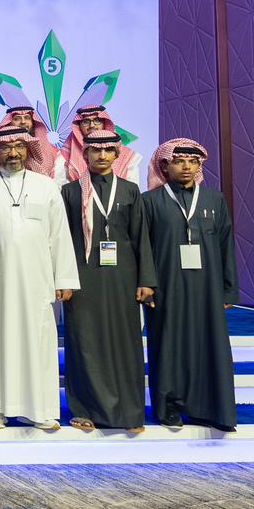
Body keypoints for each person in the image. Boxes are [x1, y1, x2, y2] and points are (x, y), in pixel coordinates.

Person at [0, 127, 79, 430]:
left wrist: (64, 278)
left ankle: (37, 409)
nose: (13, 153)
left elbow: (59, 234)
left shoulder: (46, 186)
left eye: (19, 147)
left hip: (36, 280)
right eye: (6, 148)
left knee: (36, 340)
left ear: (29, 150)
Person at [60, 130, 157, 433]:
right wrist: (63, 278)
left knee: (124, 342)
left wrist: (146, 280)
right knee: (84, 341)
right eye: (95, 150)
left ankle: (130, 412)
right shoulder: (70, 192)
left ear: (117, 155)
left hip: (123, 278)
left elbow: (142, 238)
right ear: (85, 155)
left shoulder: (130, 191)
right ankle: (84, 409)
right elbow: (62, 241)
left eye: (107, 151)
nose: (101, 156)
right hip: (81, 278)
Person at [142, 139, 239, 432]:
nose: (186, 167)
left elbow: (226, 245)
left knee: (208, 343)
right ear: (165, 166)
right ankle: (169, 407)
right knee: (168, 344)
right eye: (179, 161)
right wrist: (147, 284)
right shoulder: (150, 201)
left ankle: (208, 407)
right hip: (166, 286)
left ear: (199, 166)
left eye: (193, 162)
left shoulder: (214, 200)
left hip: (207, 287)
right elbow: (143, 248)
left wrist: (229, 288)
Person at [62, 105, 142, 185]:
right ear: (79, 125)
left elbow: (132, 189)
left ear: (105, 123)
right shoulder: (66, 154)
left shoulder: (127, 157)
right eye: (86, 121)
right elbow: (63, 187)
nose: (92, 125)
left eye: (97, 120)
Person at [0, 105, 62, 180]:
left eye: (27, 118)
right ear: (8, 124)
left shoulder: (53, 152)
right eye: (17, 119)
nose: (23, 122)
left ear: (33, 122)